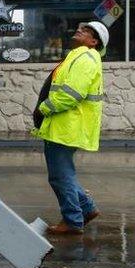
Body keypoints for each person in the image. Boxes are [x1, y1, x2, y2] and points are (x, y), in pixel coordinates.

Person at [33, 21, 108, 235]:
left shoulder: (85, 58)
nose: (80, 30)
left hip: (66, 127)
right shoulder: (78, 56)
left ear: (94, 42)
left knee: (60, 176)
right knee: (65, 174)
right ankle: (87, 209)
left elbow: (71, 94)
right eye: (80, 27)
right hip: (64, 126)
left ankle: (73, 221)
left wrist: (44, 108)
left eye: (86, 31)